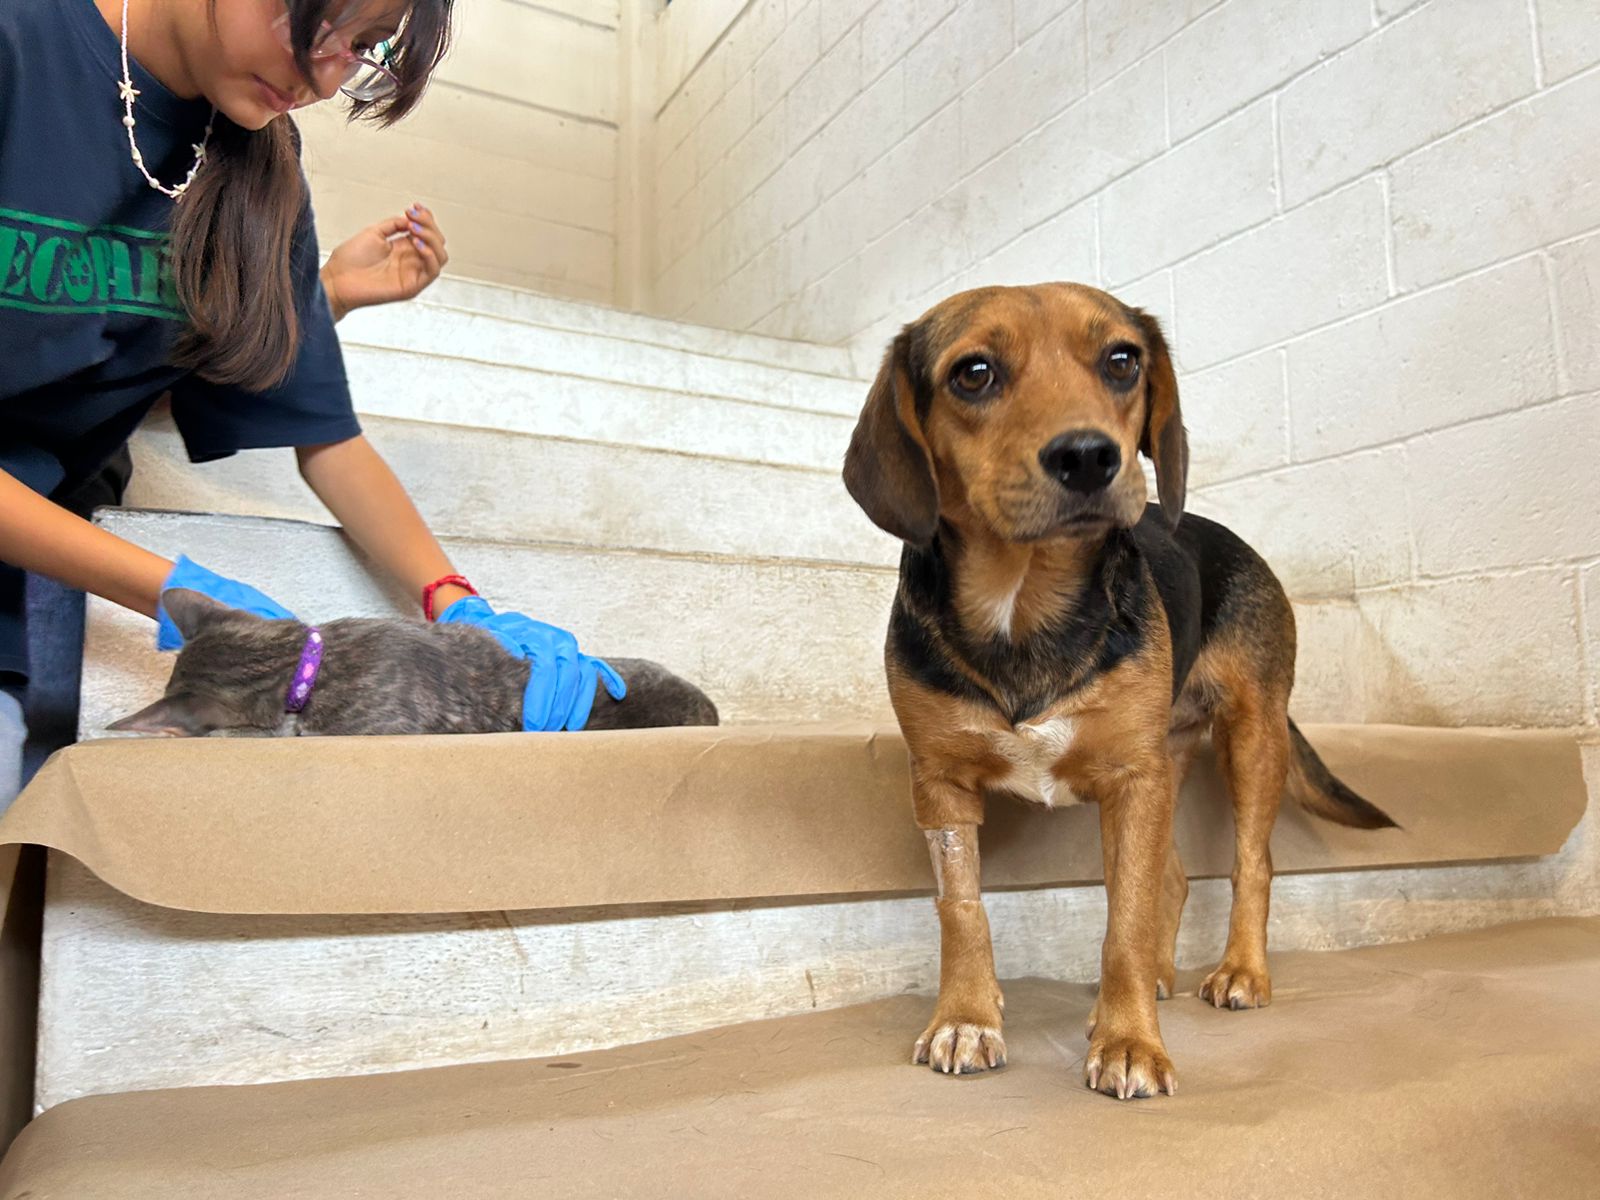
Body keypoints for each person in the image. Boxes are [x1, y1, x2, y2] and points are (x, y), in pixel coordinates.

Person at [0, 0, 622, 812]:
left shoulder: (259, 164)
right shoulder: (21, 42)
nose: (324, 73)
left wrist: (458, 603)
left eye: (363, 46)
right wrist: (179, 592)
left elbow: (325, 438)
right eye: (311, 19)